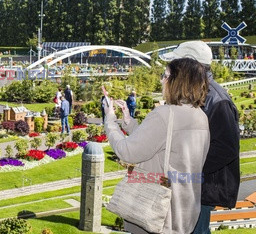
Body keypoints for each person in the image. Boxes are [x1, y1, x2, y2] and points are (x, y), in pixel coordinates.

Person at [103, 58, 210, 233]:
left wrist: (110, 121)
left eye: (166, 76)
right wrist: (129, 122)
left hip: (156, 211)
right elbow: (163, 144)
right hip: (184, 210)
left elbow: (127, 152)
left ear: (178, 82)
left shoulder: (165, 114)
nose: (162, 80)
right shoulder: (200, 117)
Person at [161, 41, 240, 234]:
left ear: (189, 66)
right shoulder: (197, 93)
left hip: (200, 189)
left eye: (175, 65)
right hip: (192, 184)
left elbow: (227, 148)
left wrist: (187, 168)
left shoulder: (216, 100)